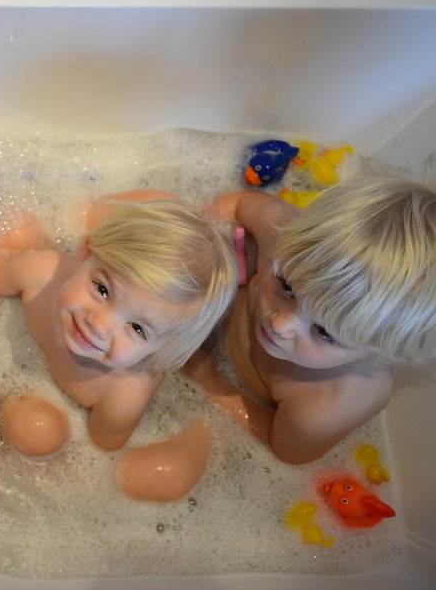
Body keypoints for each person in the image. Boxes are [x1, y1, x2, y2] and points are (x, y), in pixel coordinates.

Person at [184, 176, 436, 465]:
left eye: (324, 331)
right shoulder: (289, 244)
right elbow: (240, 202)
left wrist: (211, 380)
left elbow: (285, 450)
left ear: (377, 350)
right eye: (287, 286)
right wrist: (197, 246)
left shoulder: (327, 406)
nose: (280, 325)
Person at [0, 196, 237, 452]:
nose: (99, 325)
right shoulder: (41, 272)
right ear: (86, 252)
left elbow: (102, 446)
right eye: (102, 289)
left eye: (137, 329)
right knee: (16, 228)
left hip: (30, 404)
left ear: (161, 349)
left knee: (41, 432)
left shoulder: (124, 395)